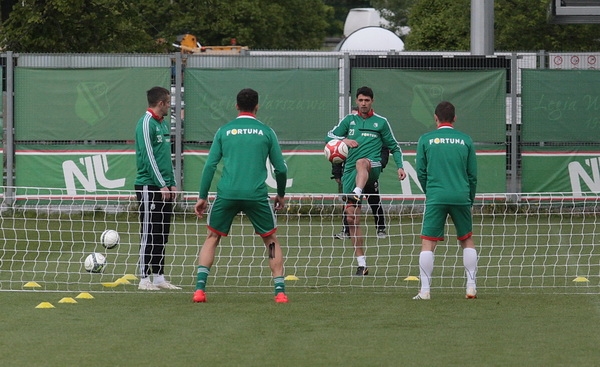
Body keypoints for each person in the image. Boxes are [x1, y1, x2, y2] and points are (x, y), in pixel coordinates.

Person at [193, 88, 289, 304]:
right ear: (257, 106)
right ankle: (280, 292)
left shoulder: (224, 131)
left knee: (212, 237)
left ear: (236, 106)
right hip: (255, 194)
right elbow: (281, 169)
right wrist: (280, 194)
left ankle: (200, 290)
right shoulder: (266, 132)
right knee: (271, 240)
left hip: (227, 193)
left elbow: (209, 166)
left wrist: (202, 196)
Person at [326, 86, 406, 276]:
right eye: (360, 100)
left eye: (367, 100)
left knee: (363, 162)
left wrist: (400, 166)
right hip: (350, 173)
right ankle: (362, 264)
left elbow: (394, 147)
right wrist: (344, 141)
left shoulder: (381, 122)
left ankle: (358, 192)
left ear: (372, 101)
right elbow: (329, 136)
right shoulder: (349, 121)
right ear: (357, 101)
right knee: (352, 219)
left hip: (373, 166)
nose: (363, 104)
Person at [413, 101, 478, 300]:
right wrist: (469, 198)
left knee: (427, 243)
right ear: (454, 118)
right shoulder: (466, 140)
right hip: (461, 195)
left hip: (436, 196)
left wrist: (430, 192)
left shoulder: (425, 139)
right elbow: (472, 174)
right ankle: (471, 287)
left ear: (435, 118)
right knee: (466, 239)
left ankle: (424, 291)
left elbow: (421, 172)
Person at [134, 86, 181, 290]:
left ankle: (159, 277)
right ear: (160, 103)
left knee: (163, 231)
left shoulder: (163, 125)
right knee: (149, 231)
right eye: (168, 102)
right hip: (148, 185)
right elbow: (148, 157)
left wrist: (171, 182)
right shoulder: (146, 123)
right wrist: (161, 184)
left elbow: (164, 157)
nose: (170, 106)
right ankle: (144, 278)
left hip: (164, 186)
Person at [332, 145, 389, 240]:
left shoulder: (373, 137)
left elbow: (384, 150)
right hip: (351, 176)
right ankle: (346, 231)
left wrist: (380, 165)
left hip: (369, 175)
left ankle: (381, 229)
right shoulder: (348, 138)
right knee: (349, 203)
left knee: (375, 202)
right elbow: (338, 154)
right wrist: (337, 173)